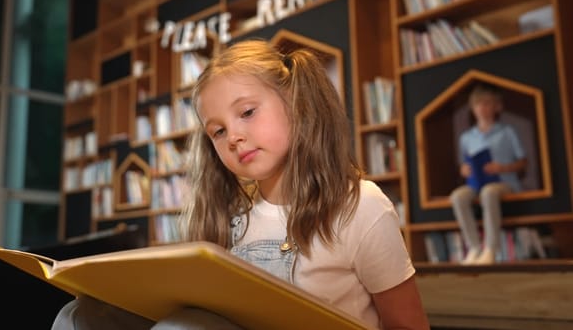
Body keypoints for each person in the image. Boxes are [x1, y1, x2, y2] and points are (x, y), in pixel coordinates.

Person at [52, 39, 430, 329]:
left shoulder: (360, 206)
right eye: (217, 131)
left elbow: (408, 325)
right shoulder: (231, 218)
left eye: (247, 113)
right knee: (79, 314)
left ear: (297, 103)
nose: (233, 137)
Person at [450, 83, 527, 265]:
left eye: (487, 103)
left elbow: (523, 161)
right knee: (458, 197)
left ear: (496, 106)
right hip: (475, 184)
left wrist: (502, 168)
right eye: (478, 104)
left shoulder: (507, 132)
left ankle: (491, 248)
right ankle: (474, 247)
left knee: (489, 192)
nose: (482, 108)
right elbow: (463, 163)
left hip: (503, 182)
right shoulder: (466, 138)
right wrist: (464, 170)